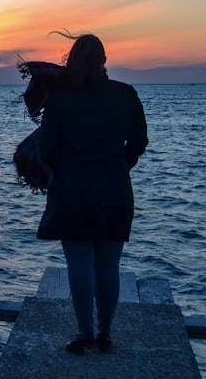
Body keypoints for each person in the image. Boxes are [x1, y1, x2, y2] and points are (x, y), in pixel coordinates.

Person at [34, 33, 148, 354]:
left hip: (72, 191)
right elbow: (139, 141)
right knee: (109, 265)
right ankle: (106, 333)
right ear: (104, 61)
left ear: (72, 61)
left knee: (80, 262)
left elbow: (47, 148)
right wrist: (120, 165)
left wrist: (63, 168)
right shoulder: (126, 95)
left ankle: (85, 332)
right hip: (115, 190)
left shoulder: (61, 98)